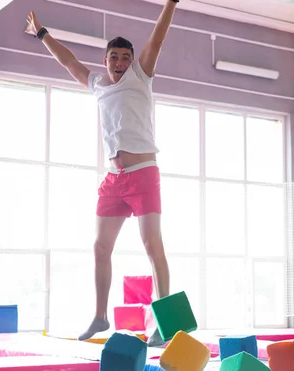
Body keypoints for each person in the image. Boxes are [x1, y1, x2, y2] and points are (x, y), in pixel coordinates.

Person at [25, 0, 179, 347]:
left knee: (152, 244)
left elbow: (157, 39)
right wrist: (42, 34)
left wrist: (171, 3)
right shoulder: (97, 84)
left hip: (143, 173)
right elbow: (68, 61)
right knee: (99, 246)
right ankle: (99, 315)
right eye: (114, 57)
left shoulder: (141, 75)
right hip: (114, 178)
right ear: (106, 61)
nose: (121, 63)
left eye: (126, 56)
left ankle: (165, 322)